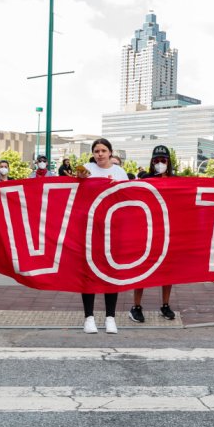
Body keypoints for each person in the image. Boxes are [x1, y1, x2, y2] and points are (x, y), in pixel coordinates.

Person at [76, 138, 129, 333]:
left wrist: (118, 187)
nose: (100, 154)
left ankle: (110, 317)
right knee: (88, 271)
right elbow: (77, 193)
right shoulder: (86, 169)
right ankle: (88, 317)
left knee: (111, 271)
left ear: (110, 152)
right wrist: (79, 178)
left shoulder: (119, 172)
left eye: (103, 150)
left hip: (112, 228)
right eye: (96, 150)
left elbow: (128, 197)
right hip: (88, 227)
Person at [130, 145, 177, 324]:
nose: (159, 164)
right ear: (151, 162)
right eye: (156, 161)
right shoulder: (145, 180)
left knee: (168, 272)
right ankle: (136, 306)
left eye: (163, 160)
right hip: (148, 231)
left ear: (168, 162)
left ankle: (165, 305)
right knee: (142, 270)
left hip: (169, 231)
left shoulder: (176, 181)